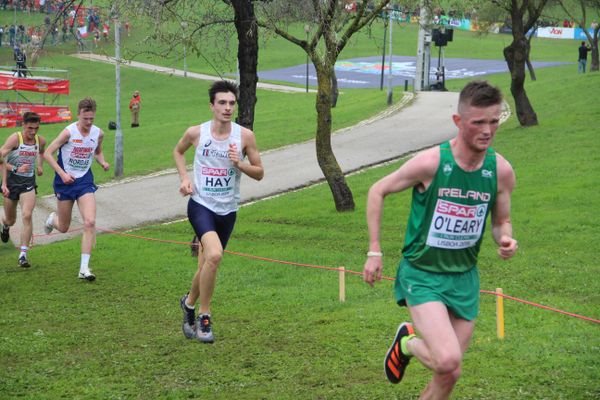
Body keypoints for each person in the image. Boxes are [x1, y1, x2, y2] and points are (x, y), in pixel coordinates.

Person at [363, 80, 517, 399]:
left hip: (464, 278)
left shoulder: (500, 171)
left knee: (449, 373)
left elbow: (502, 221)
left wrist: (506, 239)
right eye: (478, 122)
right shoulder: (431, 163)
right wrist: (374, 251)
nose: (487, 130)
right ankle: (407, 342)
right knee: (447, 359)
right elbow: (378, 190)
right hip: (423, 274)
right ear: (459, 122)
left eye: (493, 120)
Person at [173, 80, 264, 343]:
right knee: (214, 255)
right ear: (212, 105)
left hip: (228, 210)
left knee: (207, 264)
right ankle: (204, 316)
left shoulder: (245, 136)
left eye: (231, 103)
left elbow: (260, 173)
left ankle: (188, 303)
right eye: (222, 103)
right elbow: (178, 152)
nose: (227, 108)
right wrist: (184, 178)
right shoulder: (196, 133)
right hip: (201, 205)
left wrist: (240, 164)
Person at [43, 98, 110, 281]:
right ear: (78, 114)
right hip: (64, 181)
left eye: (91, 119)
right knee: (64, 227)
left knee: (89, 222)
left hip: (84, 181)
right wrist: (63, 174)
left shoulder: (98, 133)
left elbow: (97, 151)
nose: (88, 123)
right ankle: (52, 219)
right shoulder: (68, 133)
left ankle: (84, 269)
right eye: (85, 119)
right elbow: (48, 153)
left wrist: (102, 161)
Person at [1, 112, 46, 268]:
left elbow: (41, 152)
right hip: (12, 184)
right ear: (22, 125)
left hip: (28, 183)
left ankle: (23, 255)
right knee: (11, 219)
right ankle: (5, 226)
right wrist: (15, 168)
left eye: (36, 128)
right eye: (29, 128)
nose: (33, 132)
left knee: (27, 215)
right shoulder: (15, 139)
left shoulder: (40, 140)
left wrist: (40, 165)